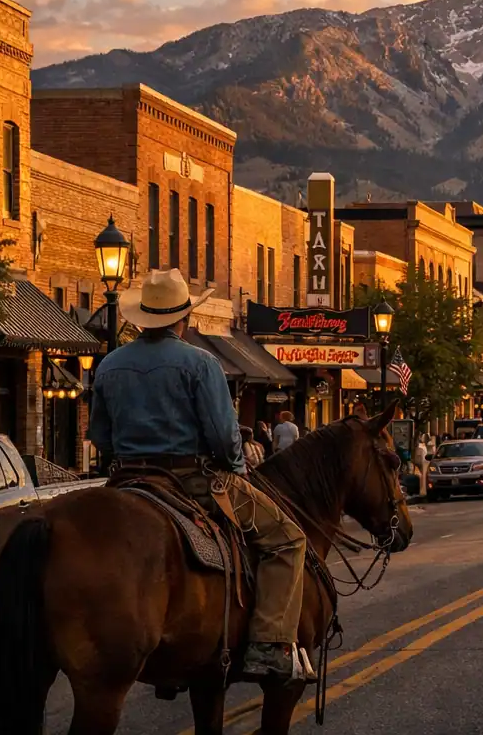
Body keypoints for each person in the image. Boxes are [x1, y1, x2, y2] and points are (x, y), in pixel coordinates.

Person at [90, 268, 307, 683]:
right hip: (192, 481)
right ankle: (269, 645)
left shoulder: (110, 365)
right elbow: (225, 440)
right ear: (182, 319)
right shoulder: (200, 363)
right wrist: (239, 472)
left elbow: (100, 436)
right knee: (287, 539)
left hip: (126, 480)